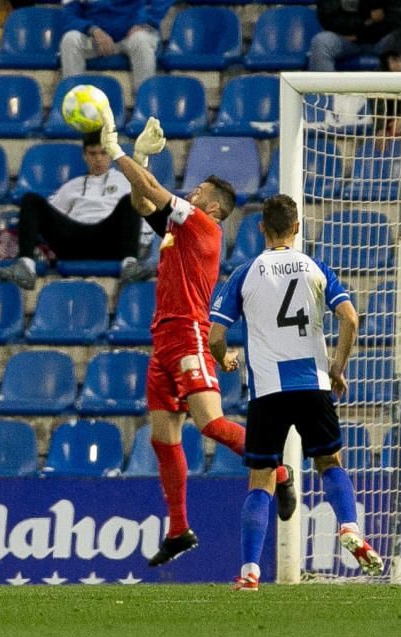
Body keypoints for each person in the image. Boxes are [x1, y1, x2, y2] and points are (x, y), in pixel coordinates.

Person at [95, 109, 297, 568]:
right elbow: (142, 205)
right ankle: (179, 528)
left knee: (209, 423)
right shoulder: (177, 233)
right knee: (163, 437)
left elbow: (154, 194)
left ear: (210, 209)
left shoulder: (204, 228)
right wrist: (142, 160)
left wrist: (118, 152)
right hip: (162, 339)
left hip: (188, 332)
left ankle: (279, 469)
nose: (190, 192)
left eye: (198, 191)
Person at [208, 194, 383, 591]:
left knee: (261, 479)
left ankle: (251, 572)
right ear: (298, 228)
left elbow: (215, 335)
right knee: (329, 462)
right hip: (312, 384)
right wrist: (337, 366)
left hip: (268, 389)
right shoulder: (315, 268)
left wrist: (225, 359)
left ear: (260, 229)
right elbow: (350, 319)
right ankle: (349, 527)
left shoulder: (246, 272)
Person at [0, 131, 149, 289]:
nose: (98, 159)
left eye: (103, 153)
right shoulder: (71, 186)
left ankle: (130, 265)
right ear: (84, 156)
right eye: (92, 153)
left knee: (131, 200)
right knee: (30, 199)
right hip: (74, 241)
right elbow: (50, 215)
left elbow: (148, 217)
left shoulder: (126, 181)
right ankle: (25, 267)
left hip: (110, 240)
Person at [59, 0, 171, 91]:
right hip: (95, 38)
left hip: (132, 34)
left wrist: (146, 21)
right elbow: (67, 15)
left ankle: (145, 105)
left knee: (141, 40)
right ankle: (73, 102)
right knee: (70, 40)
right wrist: (92, 30)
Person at [308, 1, 401, 72]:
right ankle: (325, 102)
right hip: (347, 39)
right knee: (321, 42)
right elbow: (328, 18)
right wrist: (366, 19)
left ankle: (394, 103)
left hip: (383, 39)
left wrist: (361, 35)